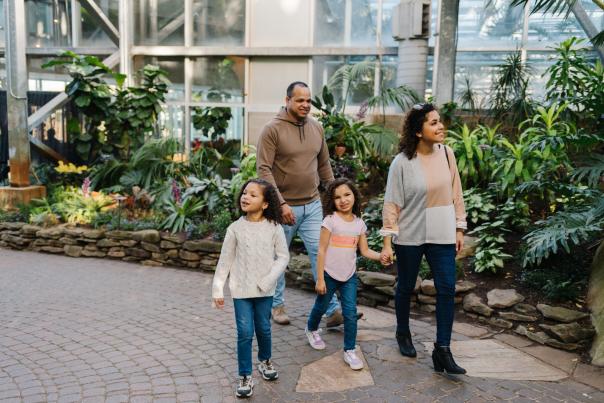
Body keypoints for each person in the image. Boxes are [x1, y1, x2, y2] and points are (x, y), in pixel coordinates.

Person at [380, 103, 467, 375]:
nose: (440, 126)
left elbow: (457, 193)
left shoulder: (447, 154)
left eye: (439, 121)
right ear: (418, 131)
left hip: (442, 232)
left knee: (447, 288)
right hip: (411, 233)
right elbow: (392, 204)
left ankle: (443, 350)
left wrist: (459, 228)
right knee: (406, 286)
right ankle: (402, 332)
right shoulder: (402, 163)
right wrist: (387, 240)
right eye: (433, 123)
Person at [256, 81, 344, 327]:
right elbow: (263, 169)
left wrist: (335, 194)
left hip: (313, 204)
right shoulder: (272, 129)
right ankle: (277, 306)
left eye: (308, 100)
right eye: (300, 100)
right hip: (282, 207)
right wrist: (280, 204)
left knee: (321, 254)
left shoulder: (316, 128)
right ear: (287, 101)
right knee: (279, 259)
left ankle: (332, 310)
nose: (306, 105)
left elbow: (324, 165)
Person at [212, 179, 289, 398]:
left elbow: (283, 257)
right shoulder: (235, 228)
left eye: (253, 195)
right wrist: (218, 289)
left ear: (265, 203)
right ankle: (245, 375)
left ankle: (265, 361)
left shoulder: (274, 228)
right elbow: (225, 261)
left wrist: (268, 280)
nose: (246, 197)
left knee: (264, 328)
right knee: (245, 333)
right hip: (241, 291)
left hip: (265, 291)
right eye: (245, 193)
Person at [305, 178, 382, 370]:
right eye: (337, 197)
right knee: (321, 305)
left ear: (354, 195)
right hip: (329, 275)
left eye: (347, 194)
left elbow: (365, 251)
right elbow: (321, 250)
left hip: (349, 276)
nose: (343, 200)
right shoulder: (330, 221)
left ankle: (349, 350)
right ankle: (311, 328)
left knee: (350, 313)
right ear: (332, 200)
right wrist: (321, 278)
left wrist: (381, 256)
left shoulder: (359, 224)